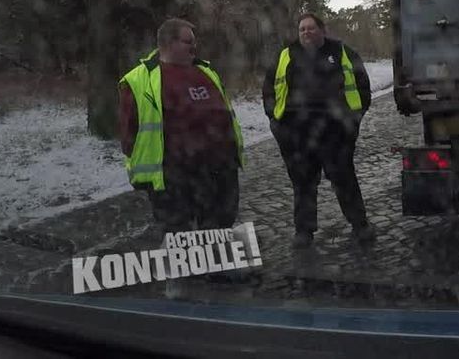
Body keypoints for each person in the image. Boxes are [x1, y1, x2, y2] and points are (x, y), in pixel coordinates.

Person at [119, 18, 245, 233]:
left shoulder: (206, 71)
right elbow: (128, 133)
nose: (194, 46)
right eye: (189, 42)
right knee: (179, 234)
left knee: (221, 225)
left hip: (219, 171)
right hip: (174, 176)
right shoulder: (140, 80)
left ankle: (220, 263)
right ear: (168, 43)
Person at [263, 13, 375, 248]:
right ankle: (303, 232)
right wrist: (277, 122)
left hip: (336, 133)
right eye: (302, 29)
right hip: (298, 135)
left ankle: (360, 225)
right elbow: (269, 90)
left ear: (323, 31)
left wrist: (352, 121)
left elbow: (362, 86)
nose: (306, 32)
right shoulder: (286, 55)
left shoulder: (341, 52)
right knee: (303, 184)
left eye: (311, 28)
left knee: (344, 179)